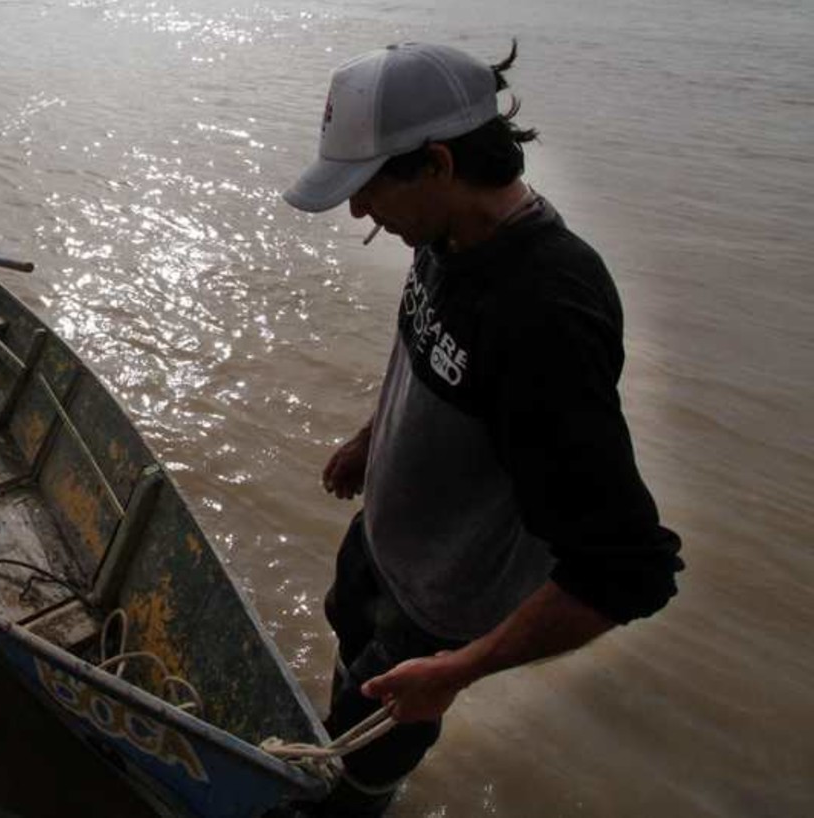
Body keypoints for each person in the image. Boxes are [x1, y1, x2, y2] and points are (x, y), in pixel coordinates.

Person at [281, 41, 682, 816]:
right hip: (382, 548)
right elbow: (432, 351)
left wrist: (456, 671)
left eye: (366, 189)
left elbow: (626, 570)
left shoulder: (545, 315)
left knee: (361, 770)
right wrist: (371, 440)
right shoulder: (444, 234)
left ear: (435, 163)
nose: (358, 211)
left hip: (436, 610)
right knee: (343, 688)